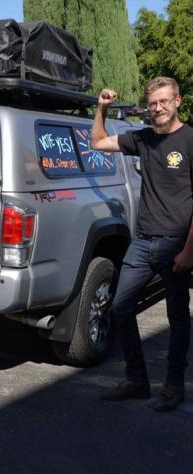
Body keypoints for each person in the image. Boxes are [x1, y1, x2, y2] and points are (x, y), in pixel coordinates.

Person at [91, 76, 193, 412]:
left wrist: (189, 251)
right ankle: (137, 380)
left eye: (164, 101)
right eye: (153, 103)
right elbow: (98, 142)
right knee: (120, 308)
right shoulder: (143, 139)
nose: (158, 108)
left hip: (176, 245)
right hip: (142, 243)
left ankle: (174, 385)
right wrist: (102, 109)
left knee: (177, 319)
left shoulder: (190, 139)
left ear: (177, 101)